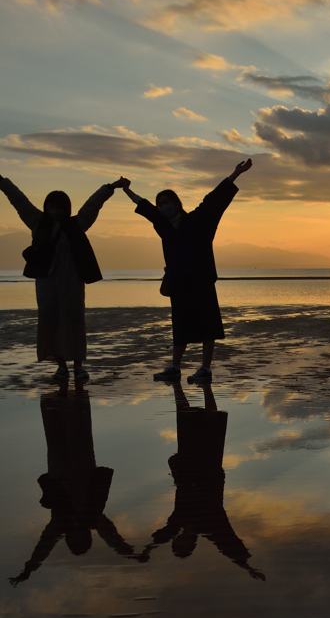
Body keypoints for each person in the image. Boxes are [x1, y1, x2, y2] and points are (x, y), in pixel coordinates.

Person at [120, 159, 251, 383]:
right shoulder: (164, 226)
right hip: (178, 282)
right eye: (160, 204)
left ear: (177, 203)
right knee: (180, 327)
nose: (163, 207)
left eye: (167, 202)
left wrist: (235, 174)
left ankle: (205, 369)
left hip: (201, 280)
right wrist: (126, 190)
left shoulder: (198, 220)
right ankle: (175, 367)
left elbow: (214, 199)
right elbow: (146, 208)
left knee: (208, 325)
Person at [0, 173, 128, 382]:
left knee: (74, 321)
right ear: (46, 206)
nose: (54, 210)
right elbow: (18, 200)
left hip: (73, 283)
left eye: (59, 206)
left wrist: (110, 187)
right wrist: (2, 182)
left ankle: (78, 366)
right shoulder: (37, 222)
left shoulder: (77, 224)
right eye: (51, 205)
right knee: (50, 322)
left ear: (65, 208)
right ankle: (61, 367)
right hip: (46, 284)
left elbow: (92, 205)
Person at [135, 382, 265, 580]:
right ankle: (206, 388)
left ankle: (177, 386)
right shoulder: (209, 525)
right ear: (192, 544)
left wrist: (149, 549)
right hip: (210, 468)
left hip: (189, 466)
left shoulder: (179, 520)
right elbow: (227, 544)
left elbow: (162, 536)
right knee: (212, 421)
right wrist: (247, 567)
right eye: (184, 545)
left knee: (185, 417)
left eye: (177, 543)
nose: (181, 539)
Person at [9, 384, 134, 585]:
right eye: (80, 540)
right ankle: (76, 399)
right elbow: (112, 538)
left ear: (67, 539)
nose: (75, 536)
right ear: (86, 537)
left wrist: (29, 569)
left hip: (59, 473)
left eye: (72, 541)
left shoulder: (59, 525)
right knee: (80, 434)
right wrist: (128, 553)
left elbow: (44, 546)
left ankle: (52, 402)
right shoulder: (94, 519)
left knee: (55, 438)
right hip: (84, 469)